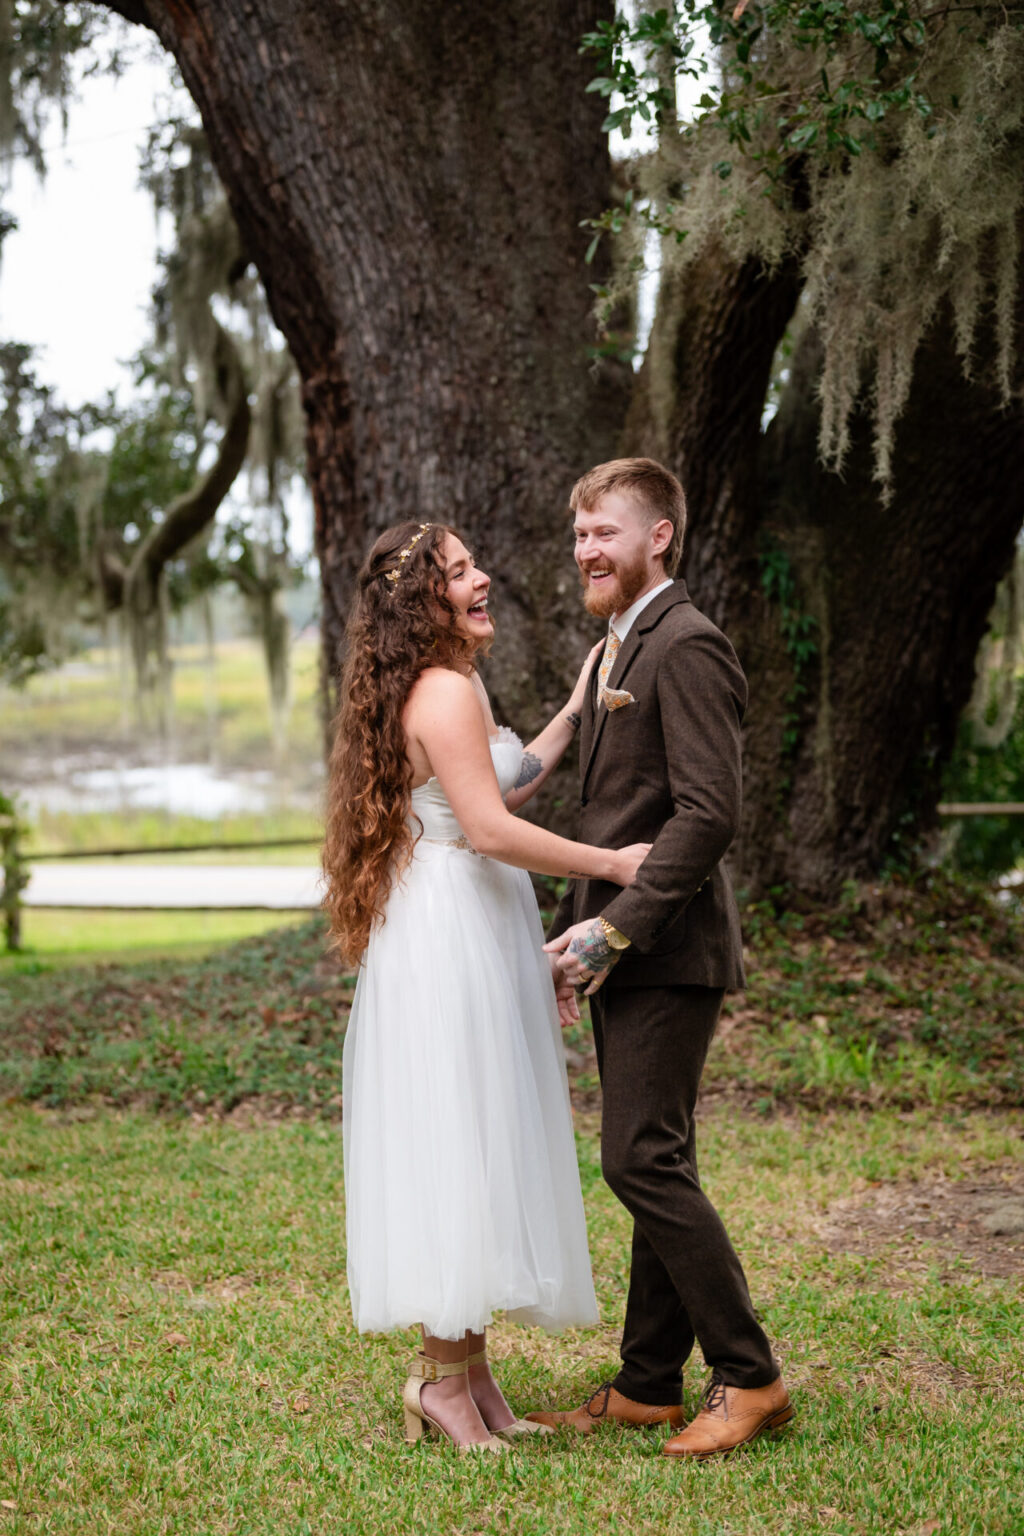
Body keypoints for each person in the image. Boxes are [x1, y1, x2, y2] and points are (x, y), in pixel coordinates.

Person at [322, 519, 650, 1452]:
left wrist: (578, 704)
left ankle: (469, 1377)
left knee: (474, 1134)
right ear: (424, 600)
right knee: (459, 1138)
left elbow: (510, 780)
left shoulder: (445, 686)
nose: (482, 579)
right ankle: (437, 1381)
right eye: (460, 572)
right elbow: (492, 830)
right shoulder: (444, 691)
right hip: (451, 935)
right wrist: (616, 865)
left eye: (473, 566)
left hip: (463, 925)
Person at [524, 458, 793, 1460]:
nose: (587, 550)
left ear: (659, 537)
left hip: (666, 946)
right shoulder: (614, 648)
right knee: (655, 1156)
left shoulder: (684, 643)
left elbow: (708, 813)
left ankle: (751, 1375)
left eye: (605, 532)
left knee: (637, 1159)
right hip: (629, 950)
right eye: (580, 534)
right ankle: (646, 1385)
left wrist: (615, 926)